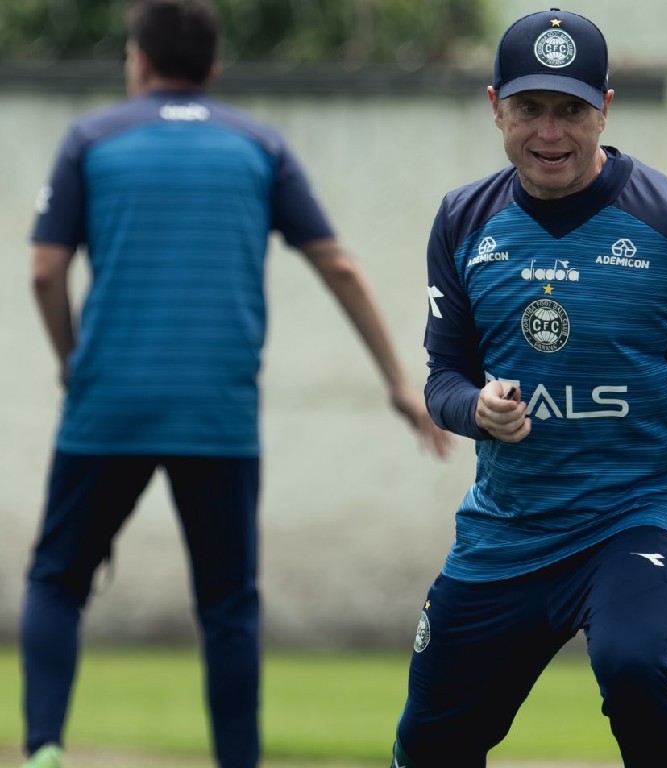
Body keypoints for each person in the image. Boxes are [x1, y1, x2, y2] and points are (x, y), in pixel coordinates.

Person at [20, 1, 451, 767]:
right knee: (228, 609)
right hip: (217, 415)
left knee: (57, 581)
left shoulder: (92, 139)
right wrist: (394, 382)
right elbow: (339, 264)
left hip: (106, 408)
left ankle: (47, 748)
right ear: (214, 69)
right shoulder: (258, 145)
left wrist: (69, 357)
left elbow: (45, 269)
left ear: (139, 61)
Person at [389, 7, 667, 766]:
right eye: (529, 110)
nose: (549, 133)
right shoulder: (463, 222)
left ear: (605, 109)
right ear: (495, 107)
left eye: (571, 110)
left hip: (642, 507)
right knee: (429, 742)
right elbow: (444, 380)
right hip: (512, 525)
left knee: (633, 663)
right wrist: (478, 411)